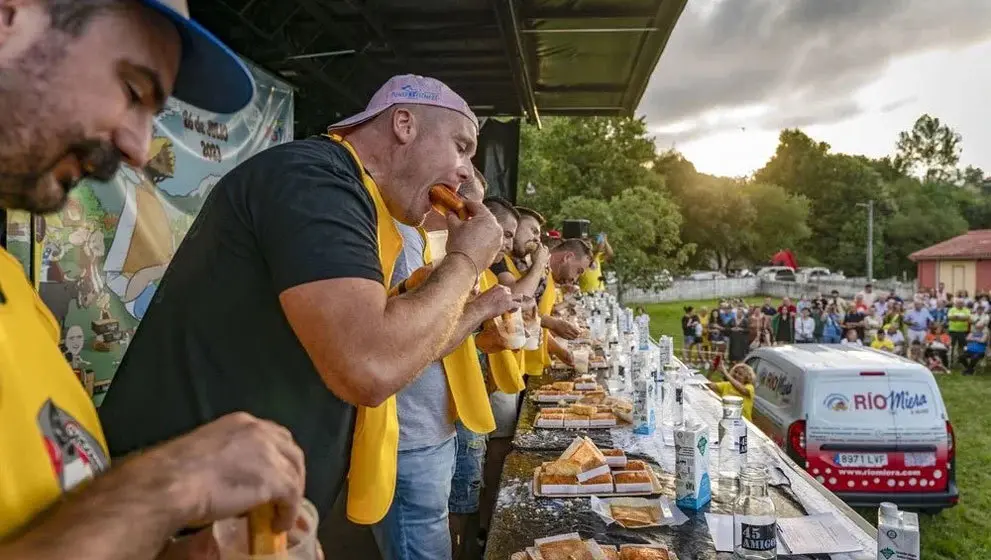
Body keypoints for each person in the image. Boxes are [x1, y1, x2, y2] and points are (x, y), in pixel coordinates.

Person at [98, 75, 511, 533]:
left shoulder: (363, 205)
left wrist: (475, 304)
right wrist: (467, 260)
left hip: (240, 514)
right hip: (178, 519)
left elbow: (404, 349)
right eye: (461, 147)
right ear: (404, 123)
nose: (467, 175)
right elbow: (370, 365)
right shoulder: (315, 179)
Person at [0, 0, 314, 557]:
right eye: (131, 88)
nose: (139, 147)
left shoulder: (17, 294)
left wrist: (196, 553)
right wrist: (169, 484)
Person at [371, 178, 518, 560]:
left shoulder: (438, 251)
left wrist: (487, 331)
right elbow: (415, 344)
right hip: (411, 432)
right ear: (451, 204)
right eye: (478, 209)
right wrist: (483, 309)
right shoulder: (406, 244)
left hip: (437, 423)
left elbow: (458, 344)